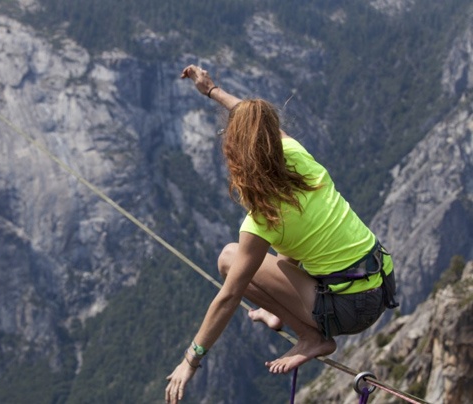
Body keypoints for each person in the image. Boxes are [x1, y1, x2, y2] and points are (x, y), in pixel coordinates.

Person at [165, 65, 398, 403]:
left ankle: (311, 335)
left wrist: (192, 358)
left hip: (351, 306)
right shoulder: (297, 156)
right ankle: (282, 312)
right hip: (381, 278)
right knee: (286, 249)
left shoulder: (262, 219)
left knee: (231, 259)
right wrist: (212, 90)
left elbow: (229, 297)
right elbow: (255, 123)